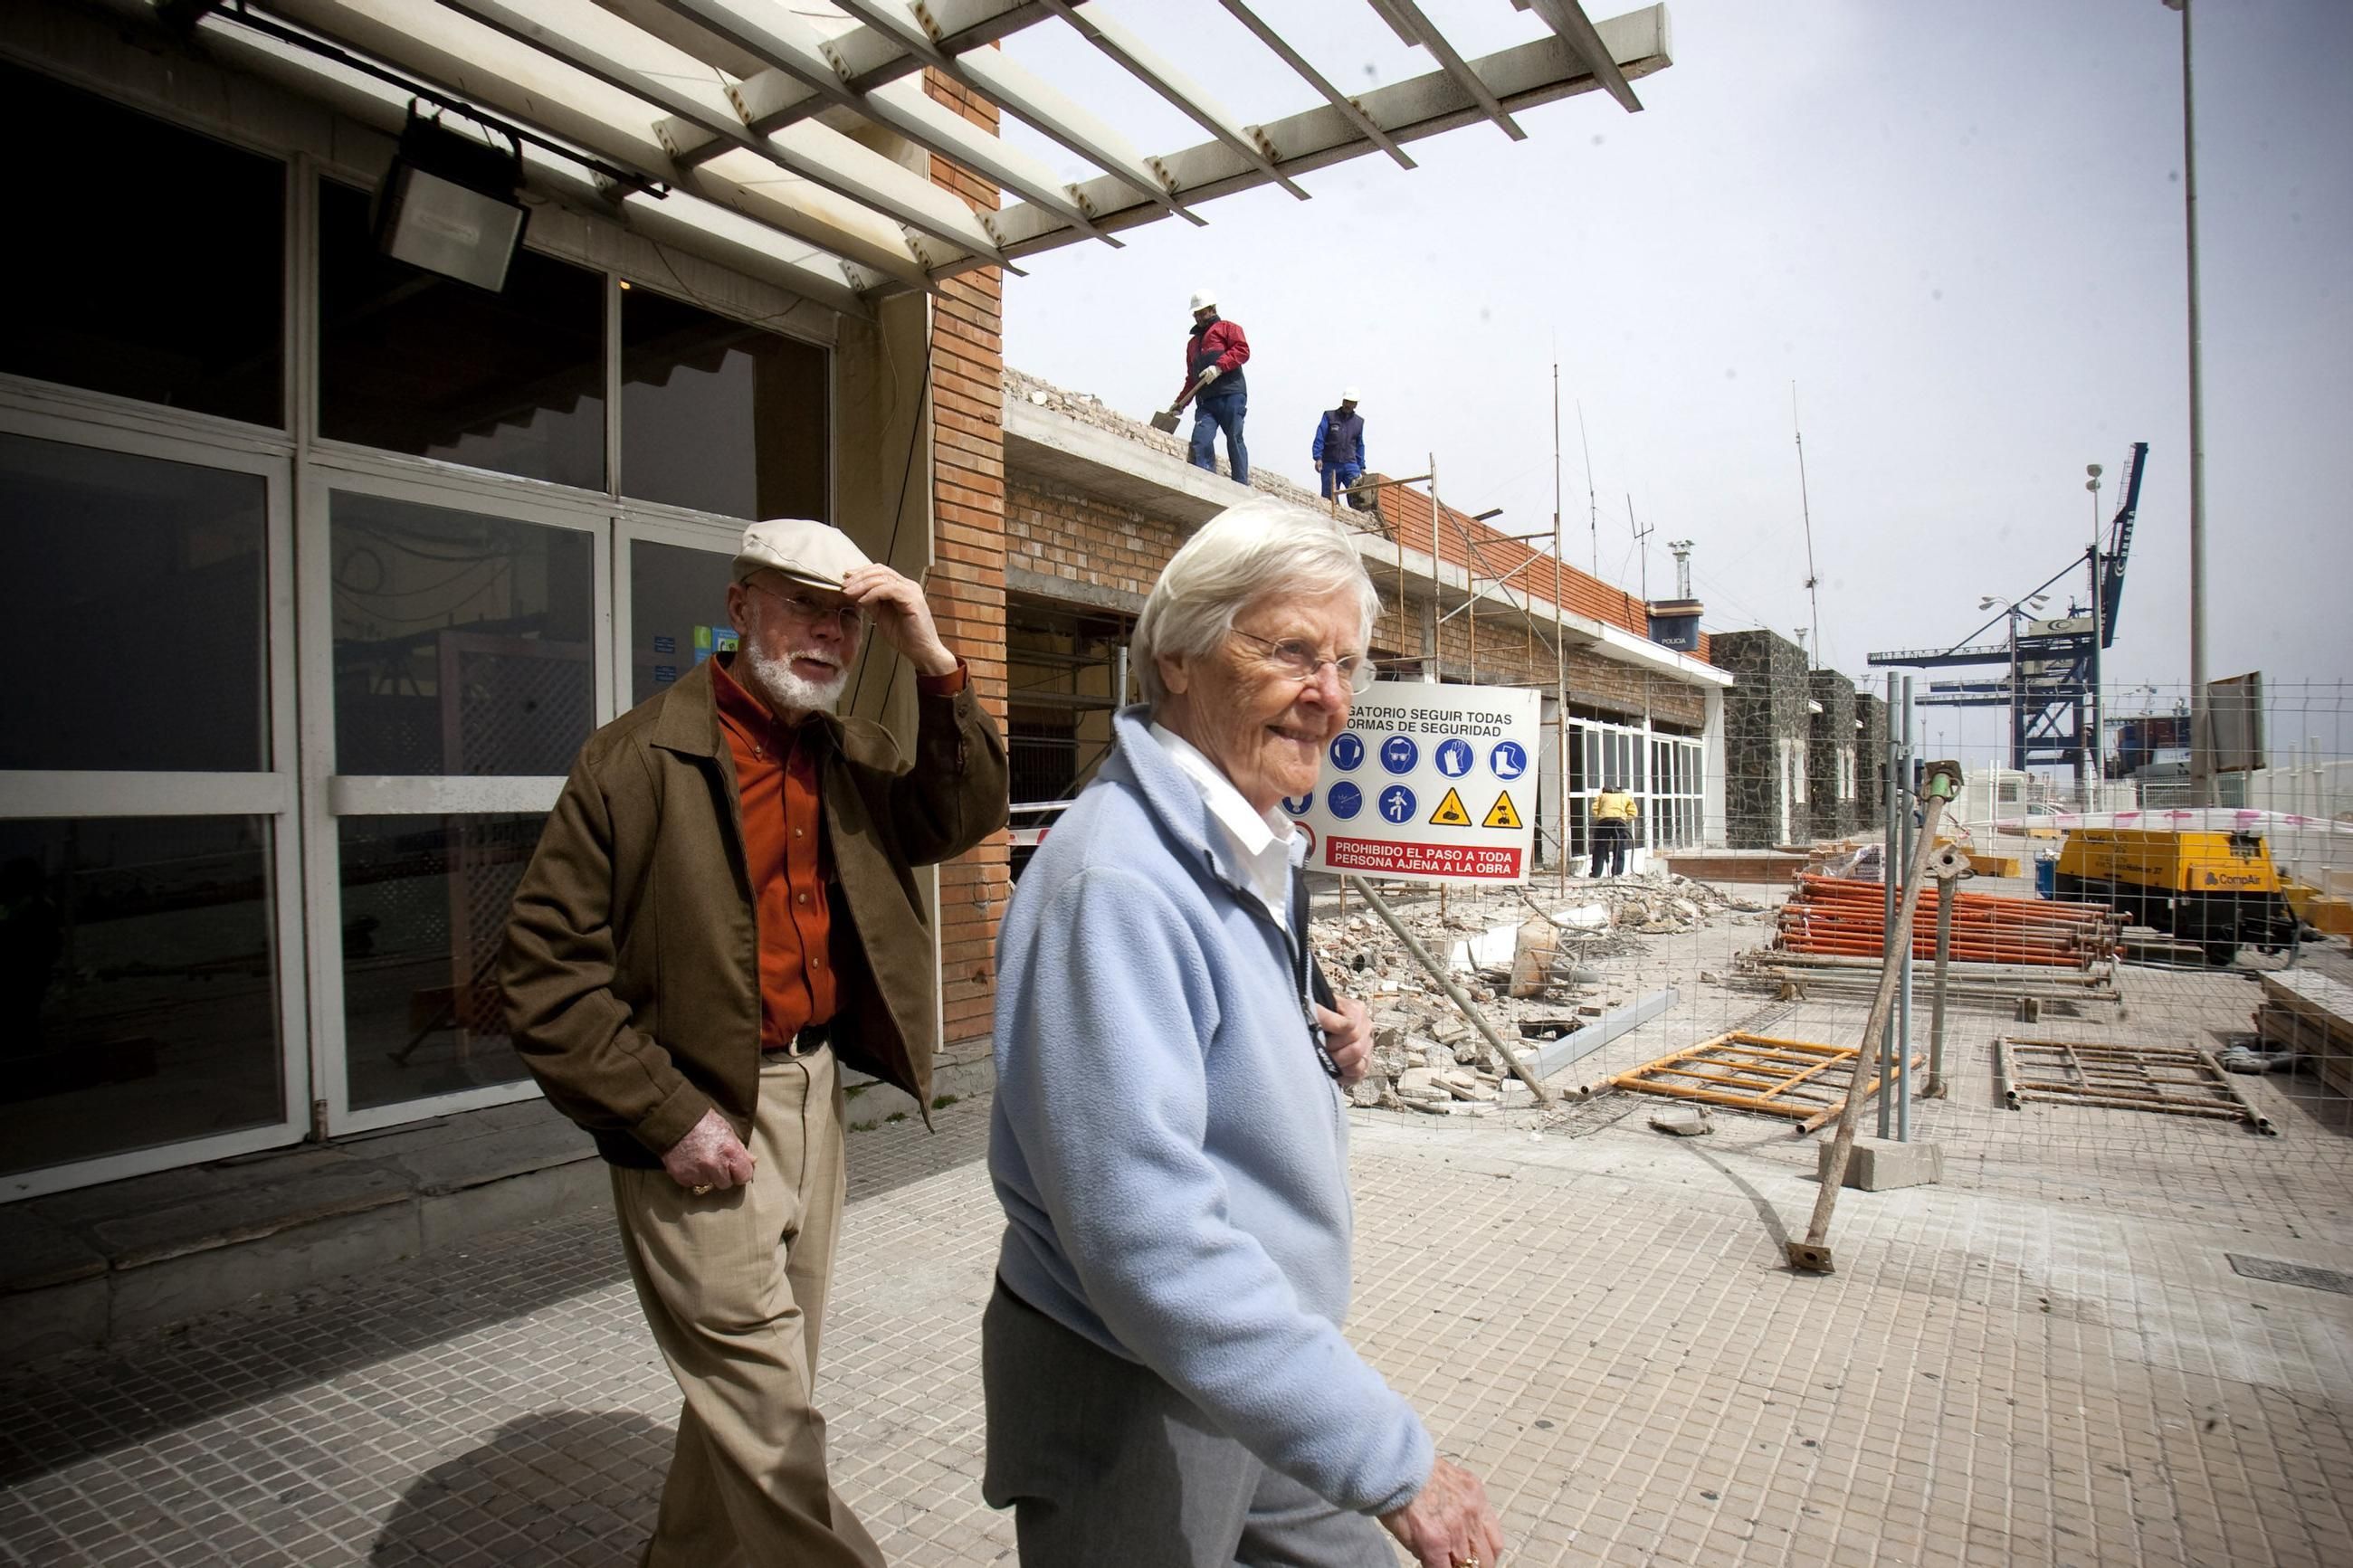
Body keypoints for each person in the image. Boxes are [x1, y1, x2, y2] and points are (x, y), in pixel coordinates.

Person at [983, 501, 1507, 1568]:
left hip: (1249, 1365)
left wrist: (1312, 1039)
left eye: (1347, 663)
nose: (1328, 695)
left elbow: (1211, 1035)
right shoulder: (1117, 881)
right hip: (1135, 1383)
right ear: (1177, 655)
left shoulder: (1237, 830)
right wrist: (1393, 1463)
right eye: (1288, 652)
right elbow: (1143, 1232)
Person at [501, 517, 1007, 1567]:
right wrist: (664, 1113)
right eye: (800, 606)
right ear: (738, 608)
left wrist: (931, 655)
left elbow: (960, 812)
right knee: (772, 1417)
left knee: (757, 1388)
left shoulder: (847, 755)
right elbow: (545, 976)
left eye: (847, 618)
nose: (827, 634)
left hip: (812, 1097)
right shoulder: (635, 760)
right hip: (697, 1109)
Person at [1180, 287, 1251, 485]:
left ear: (1212, 309)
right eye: (1196, 314)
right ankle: (1205, 480)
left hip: (1231, 394)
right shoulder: (1192, 344)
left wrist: (1219, 367)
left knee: (1234, 438)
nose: (1200, 318)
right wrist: (1180, 403)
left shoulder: (1228, 328)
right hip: (1207, 402)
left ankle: (1240, 484)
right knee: (1201, 439)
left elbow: (1242, 351)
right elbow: (1191, 378)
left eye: (1203, 313)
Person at [1311, 388, 1367, 505]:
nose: (1347, 404)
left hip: (1350, 464)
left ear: (1355, 404)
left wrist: (1361, 466)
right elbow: (1320, 436)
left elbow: (1359, 445)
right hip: (1331, 464)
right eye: (1346, 401)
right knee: (1329, 499)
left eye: (1351, 402)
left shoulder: (1358, 422)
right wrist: (1318, 457)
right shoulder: (1329, 416)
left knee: (1358, 494)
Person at [1589, 782, 1637, 878]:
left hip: (1604, 822)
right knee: (1619, 847)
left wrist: (1599, 817)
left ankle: (1596, 873)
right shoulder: (1625, 797)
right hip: (1619, 823)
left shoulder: (1601, 796)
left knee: (1600, 847)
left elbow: (1594, 809)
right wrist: (1625, 819)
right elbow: (1633, 812)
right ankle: (1617, 873)